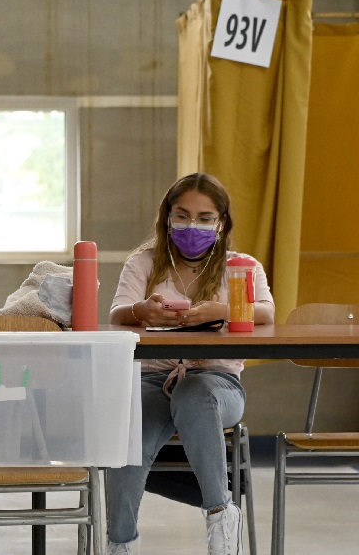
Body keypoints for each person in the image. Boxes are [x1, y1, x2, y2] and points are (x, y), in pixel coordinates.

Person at [106, 172, 275, 555]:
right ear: (167, 217)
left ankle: (220, 515)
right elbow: (117, 313)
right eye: (181, 215)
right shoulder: (145, 262)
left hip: (217, 383)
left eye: (203, 217)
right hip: (154, 380)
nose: (191, 225)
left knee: (196, 392)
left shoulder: (241, 266)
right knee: (128, 437)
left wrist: (225, 309)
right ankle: (119, 542)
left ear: (221, 223)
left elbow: (267, 312)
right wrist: (142, 310)